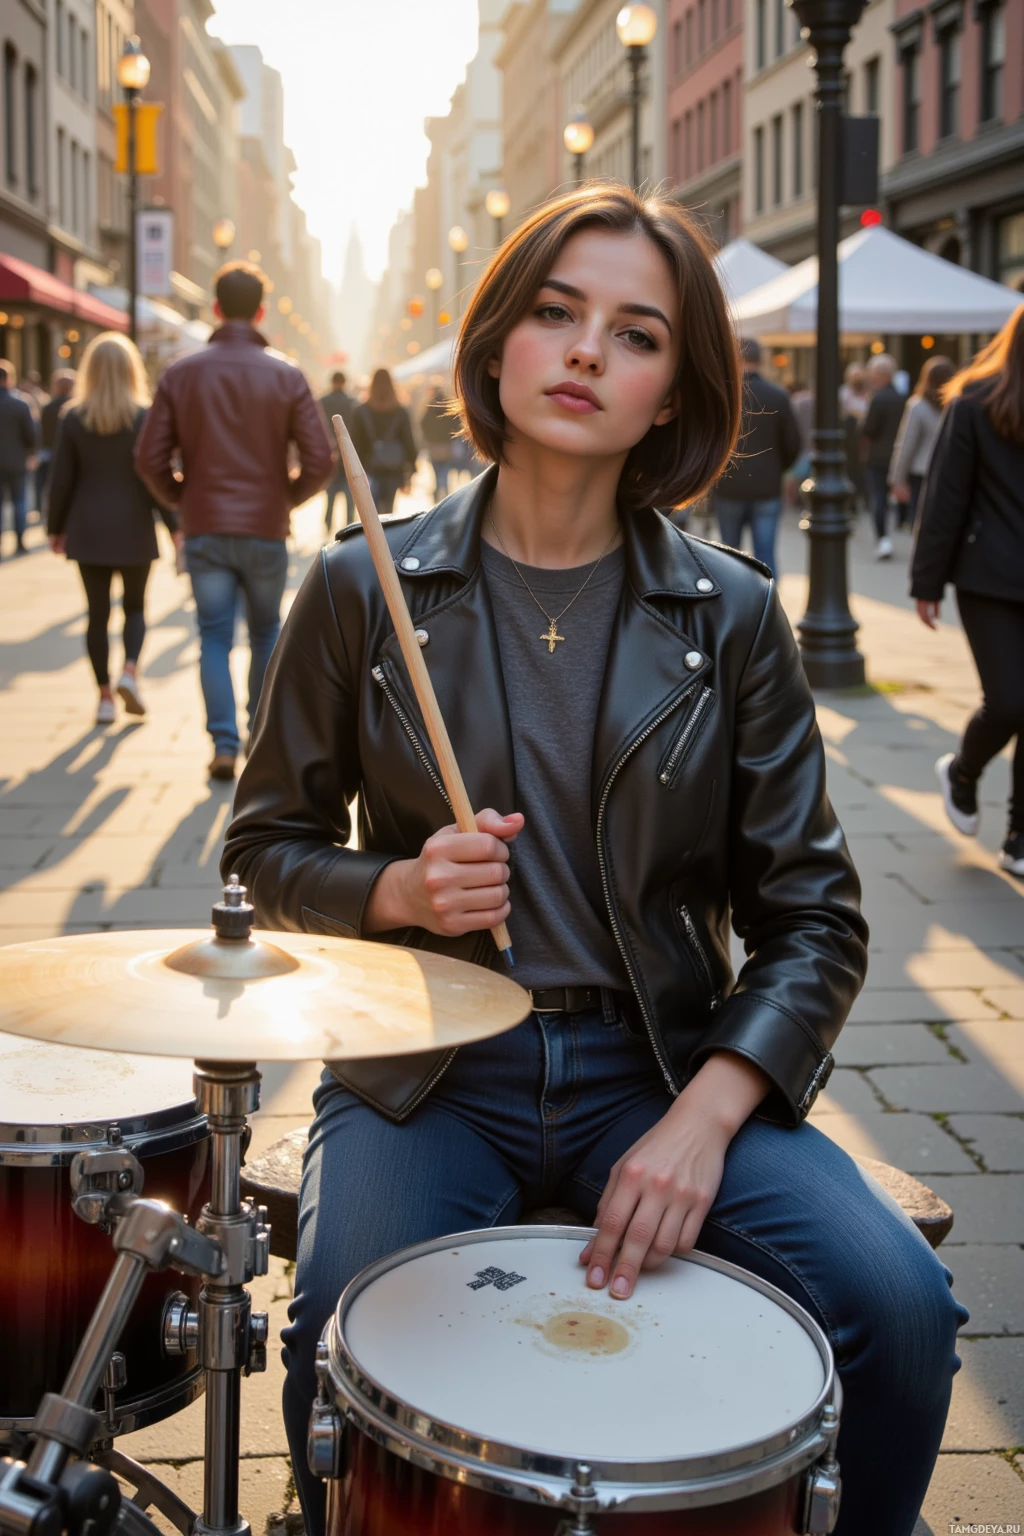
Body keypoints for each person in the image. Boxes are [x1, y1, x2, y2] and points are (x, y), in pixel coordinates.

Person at [225, 185, 964, 1536]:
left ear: (673, 393)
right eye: (557, 315)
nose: (584, 354)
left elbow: (814, 919)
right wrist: (392, 891)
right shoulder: (358, 587)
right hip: (431, 1075)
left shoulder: (732, 615)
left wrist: (705, 1118)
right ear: (499, 341)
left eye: (635, 334)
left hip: (661, 1064)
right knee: (343, 1328)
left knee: (903, 1312)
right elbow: (258, 856)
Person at [135, 260, 333, 782]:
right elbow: (321, 459)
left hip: (205, 527)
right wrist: (284, 499)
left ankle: (222, 741)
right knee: (266, 633)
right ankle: (257, 736)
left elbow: (148, 457)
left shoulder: (181, 373)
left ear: (215, 308)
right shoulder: (286, 374)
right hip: (264, 529)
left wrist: (182, 498)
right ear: (261, 310)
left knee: (214, 635)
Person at [911, 305, 1024, 879]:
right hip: (989, 578)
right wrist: (926, 583)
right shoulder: (975, 401)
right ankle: (962, 771)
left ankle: (1020, 837)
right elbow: (945, 496)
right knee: (1009, 700)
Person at [46, 334, 179, 726]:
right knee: (136, 607)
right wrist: (174, 526)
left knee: (97, 614)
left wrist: (55, 528)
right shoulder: (143, 416)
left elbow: (61, 480)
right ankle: (130, 672)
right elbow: (155, 478)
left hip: (88, 527)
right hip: (135, 526)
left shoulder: (73, 417)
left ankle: (104, 697)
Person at [712, 337, 800, 576]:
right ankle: (768, 608)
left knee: (727, 555)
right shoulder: (778, 395)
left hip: (729, 483)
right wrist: (777, 467)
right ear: (760, 360)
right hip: (767, 486)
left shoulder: (724, 394)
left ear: (736, 358)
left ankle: (730, 608)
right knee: (766, 555)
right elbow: (793, 443)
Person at [889, 356, 956, 530]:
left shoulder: (917, 405)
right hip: (951, 470)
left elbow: (906, 444)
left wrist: (897, 479)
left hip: (921, 472)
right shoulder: (958, 404)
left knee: (921, 523)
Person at [350, 368, 417, 516]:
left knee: (371, 511)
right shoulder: (401, 411)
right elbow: (409, 441)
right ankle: (385, 536)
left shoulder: (360, 411)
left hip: (368, 468)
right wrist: (411, 469)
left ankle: (374, 536)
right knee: (389, 511)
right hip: (394, 468)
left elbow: (354, 443)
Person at [861, 353, 904, 559]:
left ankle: (883, 539)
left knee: (878, 498)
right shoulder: (901, 397)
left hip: (878, 456)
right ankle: (899, 525)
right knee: (896, 495)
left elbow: (868, 429)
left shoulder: (878, 398)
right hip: (898, 454)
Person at [0, 359, 38, 557]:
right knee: (19, 502)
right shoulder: (20, 404)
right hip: (16, 461)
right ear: (8, 379)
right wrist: (31, 453)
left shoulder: (21, 403)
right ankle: (20, 541)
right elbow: (31, 434)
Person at [318, 370, 358, 534]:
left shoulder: (322, 401)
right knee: (350, 491)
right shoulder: (352, 402)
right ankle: (348, 523)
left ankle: (328, 522)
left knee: (331, 492)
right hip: (347, 451)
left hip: (328, 452)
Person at [37, 369, 76, 512]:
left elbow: (41, 431)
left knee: (51, 485)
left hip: (50, 451)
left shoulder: (48, 407)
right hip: (70, 454)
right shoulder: (77, 410)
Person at [420, 382, 459, 503]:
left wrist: (429, 438)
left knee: (436, 474)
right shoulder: (448, 407)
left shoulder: (429, 407)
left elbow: (423, 424)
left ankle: (437, 496)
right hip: (446, 446)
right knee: (446, 473)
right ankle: (446, 497)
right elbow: (456, 424)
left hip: (433, 447)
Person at [840, 361, 868, 510]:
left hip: (863, 440)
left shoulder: (868, 393)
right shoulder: (844, 393)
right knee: (850, 470)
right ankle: (851, 503)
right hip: (849, 440)